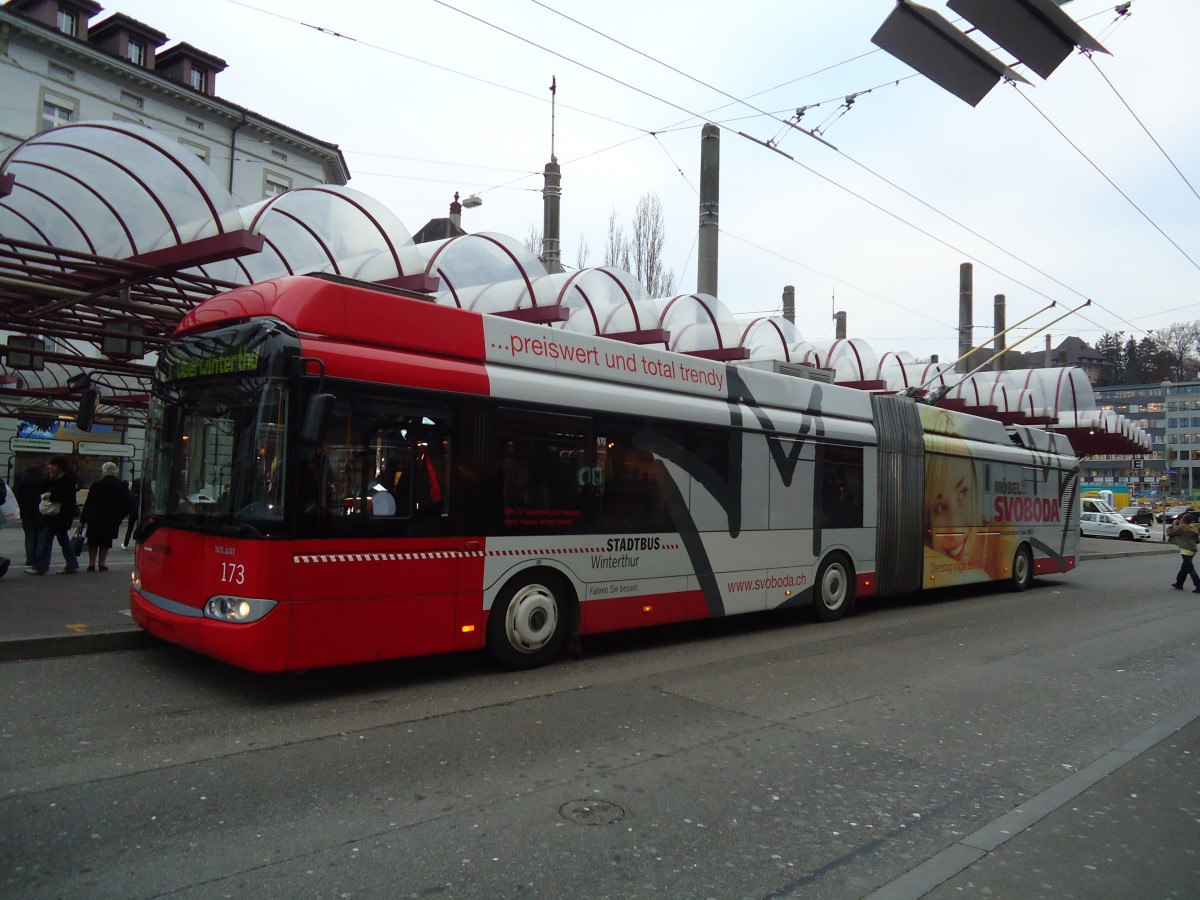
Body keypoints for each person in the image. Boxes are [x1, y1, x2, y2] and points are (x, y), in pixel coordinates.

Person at [27, 454, 80, 576]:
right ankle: (72, 564)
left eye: (54, 465)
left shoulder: (69, 478)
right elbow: (42, 488)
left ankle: (40, 567)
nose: (51, 467)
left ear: (60, 466)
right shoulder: (55, 477)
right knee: (63, 541)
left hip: (61, 514)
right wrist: (50, 478)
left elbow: (66, 497)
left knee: (45, 540)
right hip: (54, 514)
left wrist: (50, 496)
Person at [79, 462, 133, 572]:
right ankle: (102, 563)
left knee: (93, 540)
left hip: (95, 517)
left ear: (104, 471)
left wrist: (83, 520)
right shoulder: (122, 485)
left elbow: (89, 503)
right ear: (116, 472)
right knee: (106, 541)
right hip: (111, 518)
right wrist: (120, 516)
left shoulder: (96, 484)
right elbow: (128, 504)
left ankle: (91, 563)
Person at [13, 462, 47, 568]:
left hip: (26, 510)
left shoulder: (23, 476)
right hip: (40, 510)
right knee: (40, 534)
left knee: (29, 534)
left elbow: (16, 492)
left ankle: (30, 559)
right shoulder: (43, 477)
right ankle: (37, 557)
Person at [1167, 511, 1200, 593]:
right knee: (1184, 568)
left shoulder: (1181, 528)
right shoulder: (1194, 528)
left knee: (1190, 569)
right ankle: (1179, 583)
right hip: (1193, 550)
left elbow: (1170, 533)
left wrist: (1173, 524)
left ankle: (1198, 585)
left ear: (1183, 520)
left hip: (1185, 550)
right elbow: (1198, 540)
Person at [122, 477, 141, 548]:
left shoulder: (132, 493)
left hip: (133, 512)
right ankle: (139, 542)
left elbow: (129, 503)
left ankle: (125, 543)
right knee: (140, 527)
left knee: (130, 528)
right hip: (141, 512)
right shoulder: (144, 493)